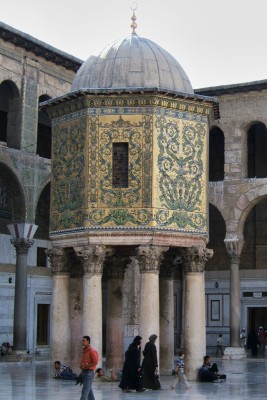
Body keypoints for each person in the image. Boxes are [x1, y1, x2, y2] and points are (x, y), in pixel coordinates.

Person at [79, 335, 98, 400]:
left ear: (88, 341)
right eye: (82, 340)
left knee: (84, 392)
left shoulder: (92, 351)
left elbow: (95, 362)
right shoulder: (84, 351)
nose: (82, 342)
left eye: (84, 341)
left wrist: (86, 366)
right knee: (89, 392)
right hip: (84, 372)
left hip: (89, 373)